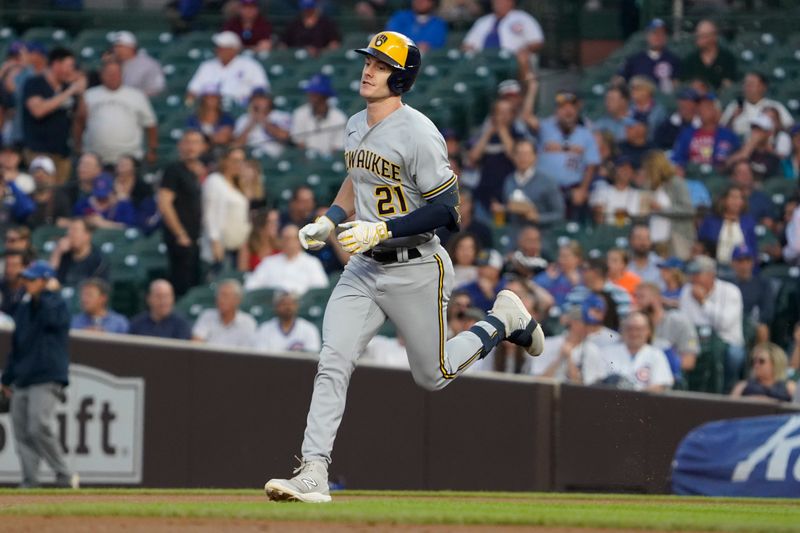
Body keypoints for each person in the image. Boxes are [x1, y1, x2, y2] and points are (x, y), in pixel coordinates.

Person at [264, 31, 544, 503]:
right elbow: (357, 179)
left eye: (381, 64)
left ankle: (504, 320)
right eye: (368, 60)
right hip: (364, 269)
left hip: (416, 265)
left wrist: (383, 229)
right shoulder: (355, 123)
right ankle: (314, 470)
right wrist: (329, 220)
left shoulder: (419, 132)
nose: (369, 69)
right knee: (333, 359)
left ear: (402, 76)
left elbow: (449, 211)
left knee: (432, 375)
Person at [0, 260, 79, 489]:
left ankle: (64, 475)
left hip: (47, 375)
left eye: (32, 279)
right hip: (24, 377)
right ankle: (30, 481)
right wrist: (6, 379)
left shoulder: (57, 305)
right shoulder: (24, 309)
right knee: (22, 431)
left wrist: (48, 294)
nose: (27, 283)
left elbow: (54, 320)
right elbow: (17, 347)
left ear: (46, 281)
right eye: (26, 278)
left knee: (38, 425)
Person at [679, 255, 745, 392]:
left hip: (727, 341)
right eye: (692, 274)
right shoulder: (687, 290)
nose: (693, 278)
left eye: (698, 274)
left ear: (711, 274)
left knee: (735, 355)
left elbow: (724, 324)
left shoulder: (731, 291)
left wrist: (703, 302)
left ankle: (728, 392)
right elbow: (685, 322)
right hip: (696, 340)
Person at [22, 47, 86, 184]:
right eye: (69, 66)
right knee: (42, 192)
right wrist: (69, 92)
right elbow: (38, 111)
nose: (71, 70)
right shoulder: (35, 83)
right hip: (38, 151)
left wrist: (80, 94)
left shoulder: (67, 87)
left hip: (62, 152)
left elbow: (81, 117)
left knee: (59, 196)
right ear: (56, 64)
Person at [76, 60, 158, 165]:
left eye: (116, 73)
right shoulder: (88, 95)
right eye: (109, 73)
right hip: (96, 159)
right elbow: (79, 122)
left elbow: (150, 124)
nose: (113, 76)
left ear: (121, 74)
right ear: (102, 75)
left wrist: (152, 150)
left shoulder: (136, 96)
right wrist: (78, 146)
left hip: (130, 158)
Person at [535, 91, 601, 218]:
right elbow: (526, 117)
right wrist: (533, 88)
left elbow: (591, 165)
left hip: (571, 189)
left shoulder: (586, 134)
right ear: (556, 111)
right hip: (545, 188)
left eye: (572, 107)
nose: (568, 111)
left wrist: (583, 189)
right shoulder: (545, 127)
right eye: (563, 107)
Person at [157, 130, 206, 297]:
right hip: (181, 239)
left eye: (196, 142)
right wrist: (180, 233)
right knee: (182, 285)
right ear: (180, 146)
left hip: (195, 237)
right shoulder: (174, 170)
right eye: (188, 142)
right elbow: (164, 203)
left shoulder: (196, 172)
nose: (191, 147)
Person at [581, 311, 674, 392]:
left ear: (648, 331)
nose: (634, 333)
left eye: (639, 329)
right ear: (623, 330)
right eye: (630, 328)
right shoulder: (606, 352)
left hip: (643, 406)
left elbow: (660, 386)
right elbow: (594, 382)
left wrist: (632, 394)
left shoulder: (656, 355)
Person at [494, 139, 564, 235]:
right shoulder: (508, 181)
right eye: (519, 154)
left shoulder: (547, 182)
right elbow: (508, 212)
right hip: (515, 236)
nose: (523, 158)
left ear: (535, 157)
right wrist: (502, 210)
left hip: (541, 236)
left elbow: (559, 215)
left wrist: (537, 218)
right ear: (513, 157)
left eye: (526, 154)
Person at [462, 0, 544, 77]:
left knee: (522, 58)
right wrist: (469, 50)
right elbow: (467, 44)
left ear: (511, 2)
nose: (499, 3)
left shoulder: (523, 18)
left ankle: (529, 90)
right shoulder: (483, 21)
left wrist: (524, 49)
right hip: (484, 59)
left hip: (512, 59)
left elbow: (537, 42)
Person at [186, 32, 269, 107]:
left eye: (223, 47)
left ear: (234, 49)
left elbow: (261, 90)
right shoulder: (207, 66)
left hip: (242, 107)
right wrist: (189, 104)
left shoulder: (250, 65)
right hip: (213, 110)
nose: (218, 50)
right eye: (218, 47)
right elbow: (192, 91)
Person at [634, 282, 699, 377]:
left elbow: (689, 361)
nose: (637, 302)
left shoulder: (679, 321)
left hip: (669, 376)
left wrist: (659, 366)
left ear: (657, 298)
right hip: (637, 374)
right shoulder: (633, 324)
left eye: (641, 297)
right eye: (636, 297)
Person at [201, 147, 251, 269]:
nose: (238, 165)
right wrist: (215, 241)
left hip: (237, 248)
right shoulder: (215, 181)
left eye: (241, 161)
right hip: (221, 247)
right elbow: (210, 213)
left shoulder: (237, 185)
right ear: (224, 161)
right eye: (234, 160)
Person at [640, 150, 695, 258]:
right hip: (653, 239)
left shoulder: (676, 183)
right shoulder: (648, 186)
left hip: (676, 237)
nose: (645, 172)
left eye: (648, 169)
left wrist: (662, 209)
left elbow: (688, 210)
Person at [245, 224, 328, 295]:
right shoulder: (268, 262)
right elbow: (251, 286)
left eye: (291, 238)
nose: (288, 242)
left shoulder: (312, 263)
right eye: (285, 238)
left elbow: (320, 289)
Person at [671, 92, 740, 173]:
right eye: (699, 107)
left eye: (706, 107)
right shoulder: (687, 134)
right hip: (691, 175)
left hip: (718, 176)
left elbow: (736, 157)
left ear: (715, 110)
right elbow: (678, 158)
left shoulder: (728, 135)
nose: (702, 110)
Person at [697, 185, 758, 267]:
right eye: (732, 197)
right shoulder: (710, 221)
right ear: (724, 200)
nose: (735, 201)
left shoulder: (748, 222)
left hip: (739, 269)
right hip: (715, 266)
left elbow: (753, 249)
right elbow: (702, 245)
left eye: (739, 198)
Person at [720, 71, 793, 140]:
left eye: (751, 84)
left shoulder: (775, 106)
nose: (747, 87)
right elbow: (721, 131)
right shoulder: (734, 106)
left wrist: (776, 123)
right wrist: (732, 118)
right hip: (738, 146)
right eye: (745, 84)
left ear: (763, 87)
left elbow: (789, 128)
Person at [616, 18, 680, 94]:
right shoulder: (634, 59)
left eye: (662, 33)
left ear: (666, 37)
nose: (658, 37)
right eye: (654, 33)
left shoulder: (673, 60)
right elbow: (619, 80)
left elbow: (677, 86)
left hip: (662, 101)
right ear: (647, 36)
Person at [290, 74, 347, 157]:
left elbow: (337, 149)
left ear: (325, 96)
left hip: (328, 163)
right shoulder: (300, 113)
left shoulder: (339, 118)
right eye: (311, 93)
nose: (311, 96)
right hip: (305, 160)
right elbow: (299, 143)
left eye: (316, 94)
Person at [727, 244, 773, 345]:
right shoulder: (726, 283)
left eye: (748, 261)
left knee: (763, 329)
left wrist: (756, 322)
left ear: (753, 262)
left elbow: (768, 310)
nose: (744, 265)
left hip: (752, 323)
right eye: (740, 261)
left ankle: (760, 359)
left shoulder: (763, 283)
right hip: (730, 322)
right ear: (733, 263)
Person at [192, 279, 257, 348]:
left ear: (237, 300)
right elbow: (196, 345)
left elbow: (246, 353)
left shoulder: (248, 322)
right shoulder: (207, 316)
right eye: (218, 295)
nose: (220, 299)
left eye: (225, 296)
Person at [565, 257, 632, 320]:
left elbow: (622, 320)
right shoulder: (576, 292)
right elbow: (571, 318)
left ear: (597, 272)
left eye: (585, 269)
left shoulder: (620, 293)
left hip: (611, 331)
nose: (582, 273)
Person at [255, 291, 322, 353]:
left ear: (297, 306)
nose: (288, 307)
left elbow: (312, 357)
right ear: (276, 307)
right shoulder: (264, 329)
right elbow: (261, 356)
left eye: (291, 303)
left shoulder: (309, 329)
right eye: (283, 304)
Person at [49, 218, 109, 287]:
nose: (69, 233)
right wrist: (57, 252)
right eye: (69, 230)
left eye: (75, 230)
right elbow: (49, 277)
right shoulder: (63, 254)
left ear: (87, 235)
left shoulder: (98, 259)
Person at [680, 19, 738, 90]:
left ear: (713, 37)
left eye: (702, 36)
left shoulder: (727, 58)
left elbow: (730, 85)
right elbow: (685, 85)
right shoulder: (690, 60)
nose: (698, 39)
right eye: (697, 35)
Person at [234, 88, 291, 159]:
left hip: (273, 158)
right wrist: (251, 123)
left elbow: (284, 136)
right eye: (255, 99)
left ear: (269, 100)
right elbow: (237, 145)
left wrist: (263, 120)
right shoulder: (243, 119)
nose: (258, 102)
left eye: (261, 98)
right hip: (251, 156)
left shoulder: (281, 116)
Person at [731, 342, 795, 402]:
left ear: (775, 363)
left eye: (761, 361)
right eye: (754, 361)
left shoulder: (790, 388)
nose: (756, 365)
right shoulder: (742, 386)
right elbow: (730, 408)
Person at [589, 155, 644, 226]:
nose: (627, 171)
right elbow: (598, 218)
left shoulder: (639, 195)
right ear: (615, 170)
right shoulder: (601, 191)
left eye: (630, 168)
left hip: (630, 232)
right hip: (607, 232)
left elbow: (641, 221)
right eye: (623, 167)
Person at [725, 113, 782, 180]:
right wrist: (749, 147)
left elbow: (769, 177)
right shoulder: (740, 148)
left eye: (759, 130)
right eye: (754, 128)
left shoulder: (772, 157)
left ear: (768, 133)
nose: (755, 132)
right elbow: (727, 166)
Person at [72, 172, 137, 229]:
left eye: (104, 197)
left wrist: (104, 224)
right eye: (98, 196)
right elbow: (72, 223)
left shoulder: (123, 205)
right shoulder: (83, 205)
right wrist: (88, 222)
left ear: (112, 192)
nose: (101, 199)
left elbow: (129, 227)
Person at [111, 30, 165, 97]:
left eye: (121, 46)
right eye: (115, 47)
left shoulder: (149, 64)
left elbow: (158, 89)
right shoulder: (112, 64)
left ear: (132, 47)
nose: (117, 50)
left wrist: (136, 97)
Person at [534, 240, 582, 308]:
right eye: (560, 256)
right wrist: (548, 279)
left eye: (565, 257)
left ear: (577, 259)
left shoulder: (585, 276)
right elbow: (532, 286)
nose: (561, 260)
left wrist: (577, 284)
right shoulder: (553, 273)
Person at [186, 85, 235, 150]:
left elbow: (223, 138)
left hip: (221, 150)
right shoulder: (192, 119)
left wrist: (205, 139)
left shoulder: (227, 118)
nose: (211, 100)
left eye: (214, 97)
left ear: (219, 99)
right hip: (198, 151)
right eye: (208, 97)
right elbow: (191, 137)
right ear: (203, 99)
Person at [28, 155, 72, 227]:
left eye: (44, 173)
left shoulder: (61, 198)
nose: (40, 177)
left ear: (52, 176)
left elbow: (66, 222)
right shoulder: (27, 198)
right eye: (36, 173)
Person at [628, 76, 666, 141]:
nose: (633, 92)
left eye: (637, 89)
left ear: (648, 91)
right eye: (632, 89)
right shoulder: (628, 108)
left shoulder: (659, 111)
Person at [0, 250, 29, 316]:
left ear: (25, 267)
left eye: (14, 266)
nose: (9, 270)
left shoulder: (30, 288)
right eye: (7, 265)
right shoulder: (1, 285)